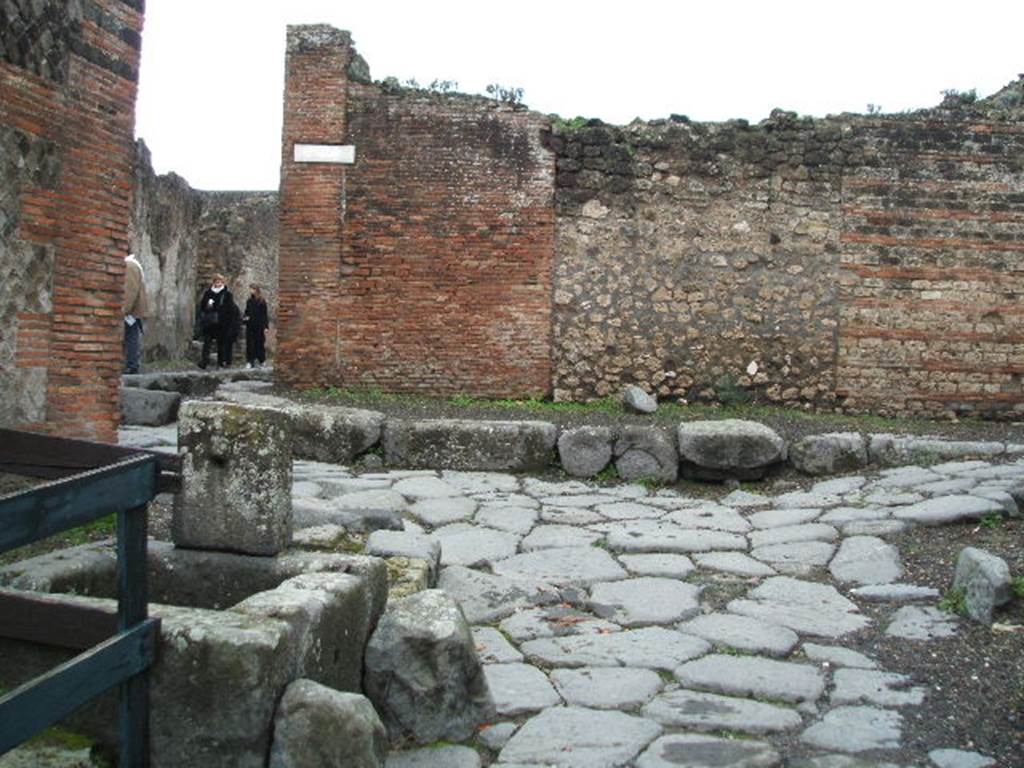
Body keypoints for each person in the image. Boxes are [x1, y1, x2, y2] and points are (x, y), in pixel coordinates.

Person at [197, 274, 237, 369]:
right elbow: (202, 306)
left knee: (221, 343)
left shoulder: (227, 294)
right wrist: (207, 305)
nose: (218, 283)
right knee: (207, 343)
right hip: (209, 322)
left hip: (221, 323)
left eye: (219, 281)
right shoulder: (208, 293)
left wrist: (228, 321)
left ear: (222, 282)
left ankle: (220, 362)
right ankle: (204, 361)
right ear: (213, 282)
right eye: (216, 281)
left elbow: (230, 309)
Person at [122, 253, 149, 374]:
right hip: (133, 309)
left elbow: (130, 290)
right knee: (130, 336)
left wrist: (125, 309)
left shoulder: (129, 266)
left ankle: (132, 365)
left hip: (132, 311)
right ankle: (130, 363)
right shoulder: (131, 265)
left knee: (131, 337)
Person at [242, 283, 269, 368]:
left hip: (259, 325)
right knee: (250, 343)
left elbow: (264, 314)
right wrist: (245, 318)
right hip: (250, 325)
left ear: (256, 290)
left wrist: (265, 326)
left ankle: (262, 360)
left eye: (252, 289)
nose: (251, 291)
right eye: (250, 289)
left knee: (259, 343)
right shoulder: (249, 301)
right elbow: (247, 312)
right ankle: (250, 361)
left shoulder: (261, 301)